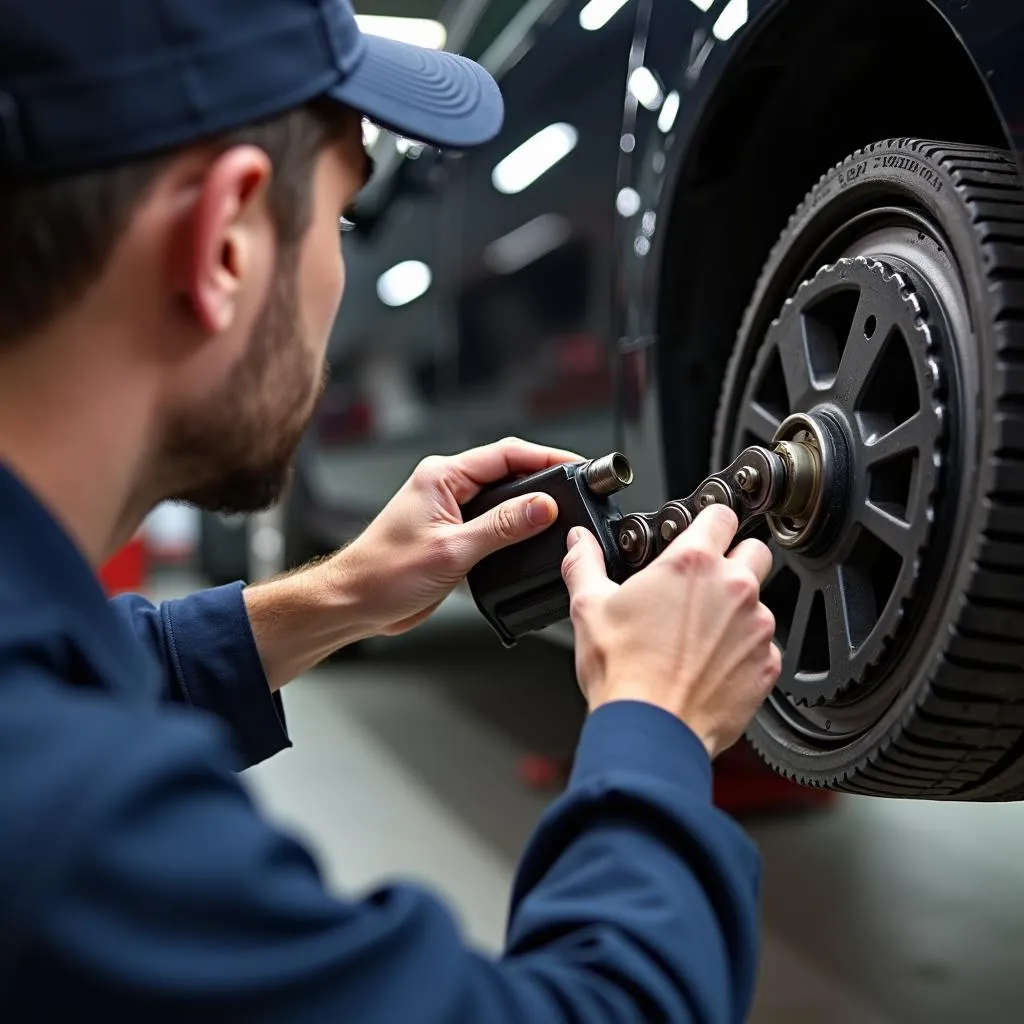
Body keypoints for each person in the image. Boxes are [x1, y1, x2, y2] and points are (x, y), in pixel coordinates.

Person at [0, 0, 781, 1020]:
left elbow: (75, 657)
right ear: (225, 241)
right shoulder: (76, 835)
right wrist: (654, 724)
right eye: (339, 218)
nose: (339, 269)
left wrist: (339, 595)